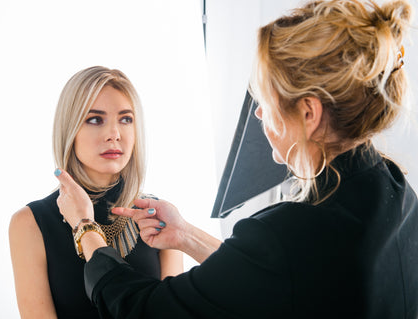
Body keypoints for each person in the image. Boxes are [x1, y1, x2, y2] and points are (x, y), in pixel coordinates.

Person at [55, 1, 418, 318]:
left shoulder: (289, 234)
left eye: (267, 100)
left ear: (309, 113)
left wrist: (86, 229)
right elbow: (275, 282)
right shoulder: (396, 189)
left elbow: (145, 310)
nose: (259, 114)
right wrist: (186, 236)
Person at [9, 66, 183, 318]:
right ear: (70, 130)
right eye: (94, 119)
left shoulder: (160, 216)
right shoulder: (30, 223)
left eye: (126, 119)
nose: (114, 134)